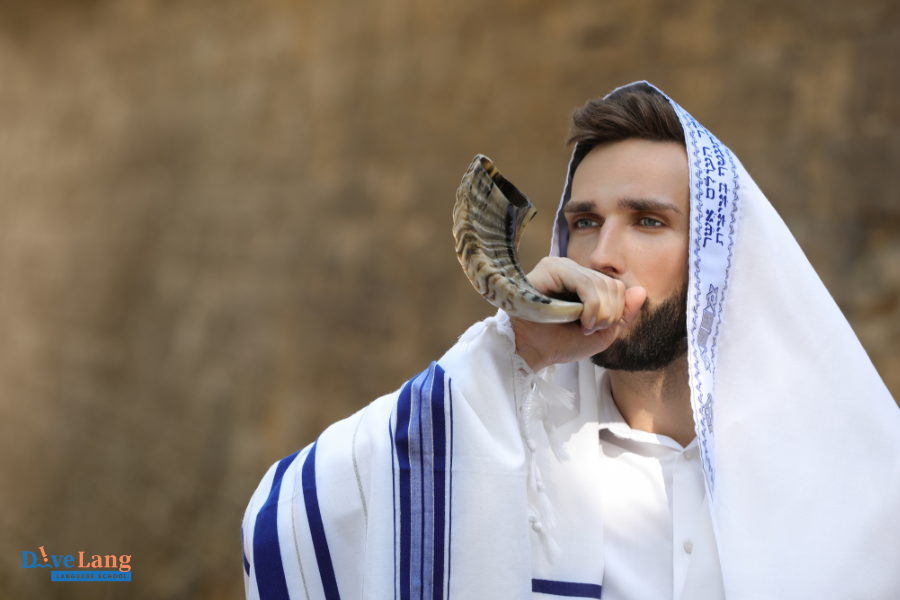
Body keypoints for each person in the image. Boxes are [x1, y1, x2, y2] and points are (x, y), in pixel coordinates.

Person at [241, 82, 900, 600]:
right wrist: (515, 350)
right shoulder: (510, 447)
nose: (603, 254)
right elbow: (287, 521)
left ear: (717, 256)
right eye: (584, 222)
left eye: (648, 221)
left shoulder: (838, 478)